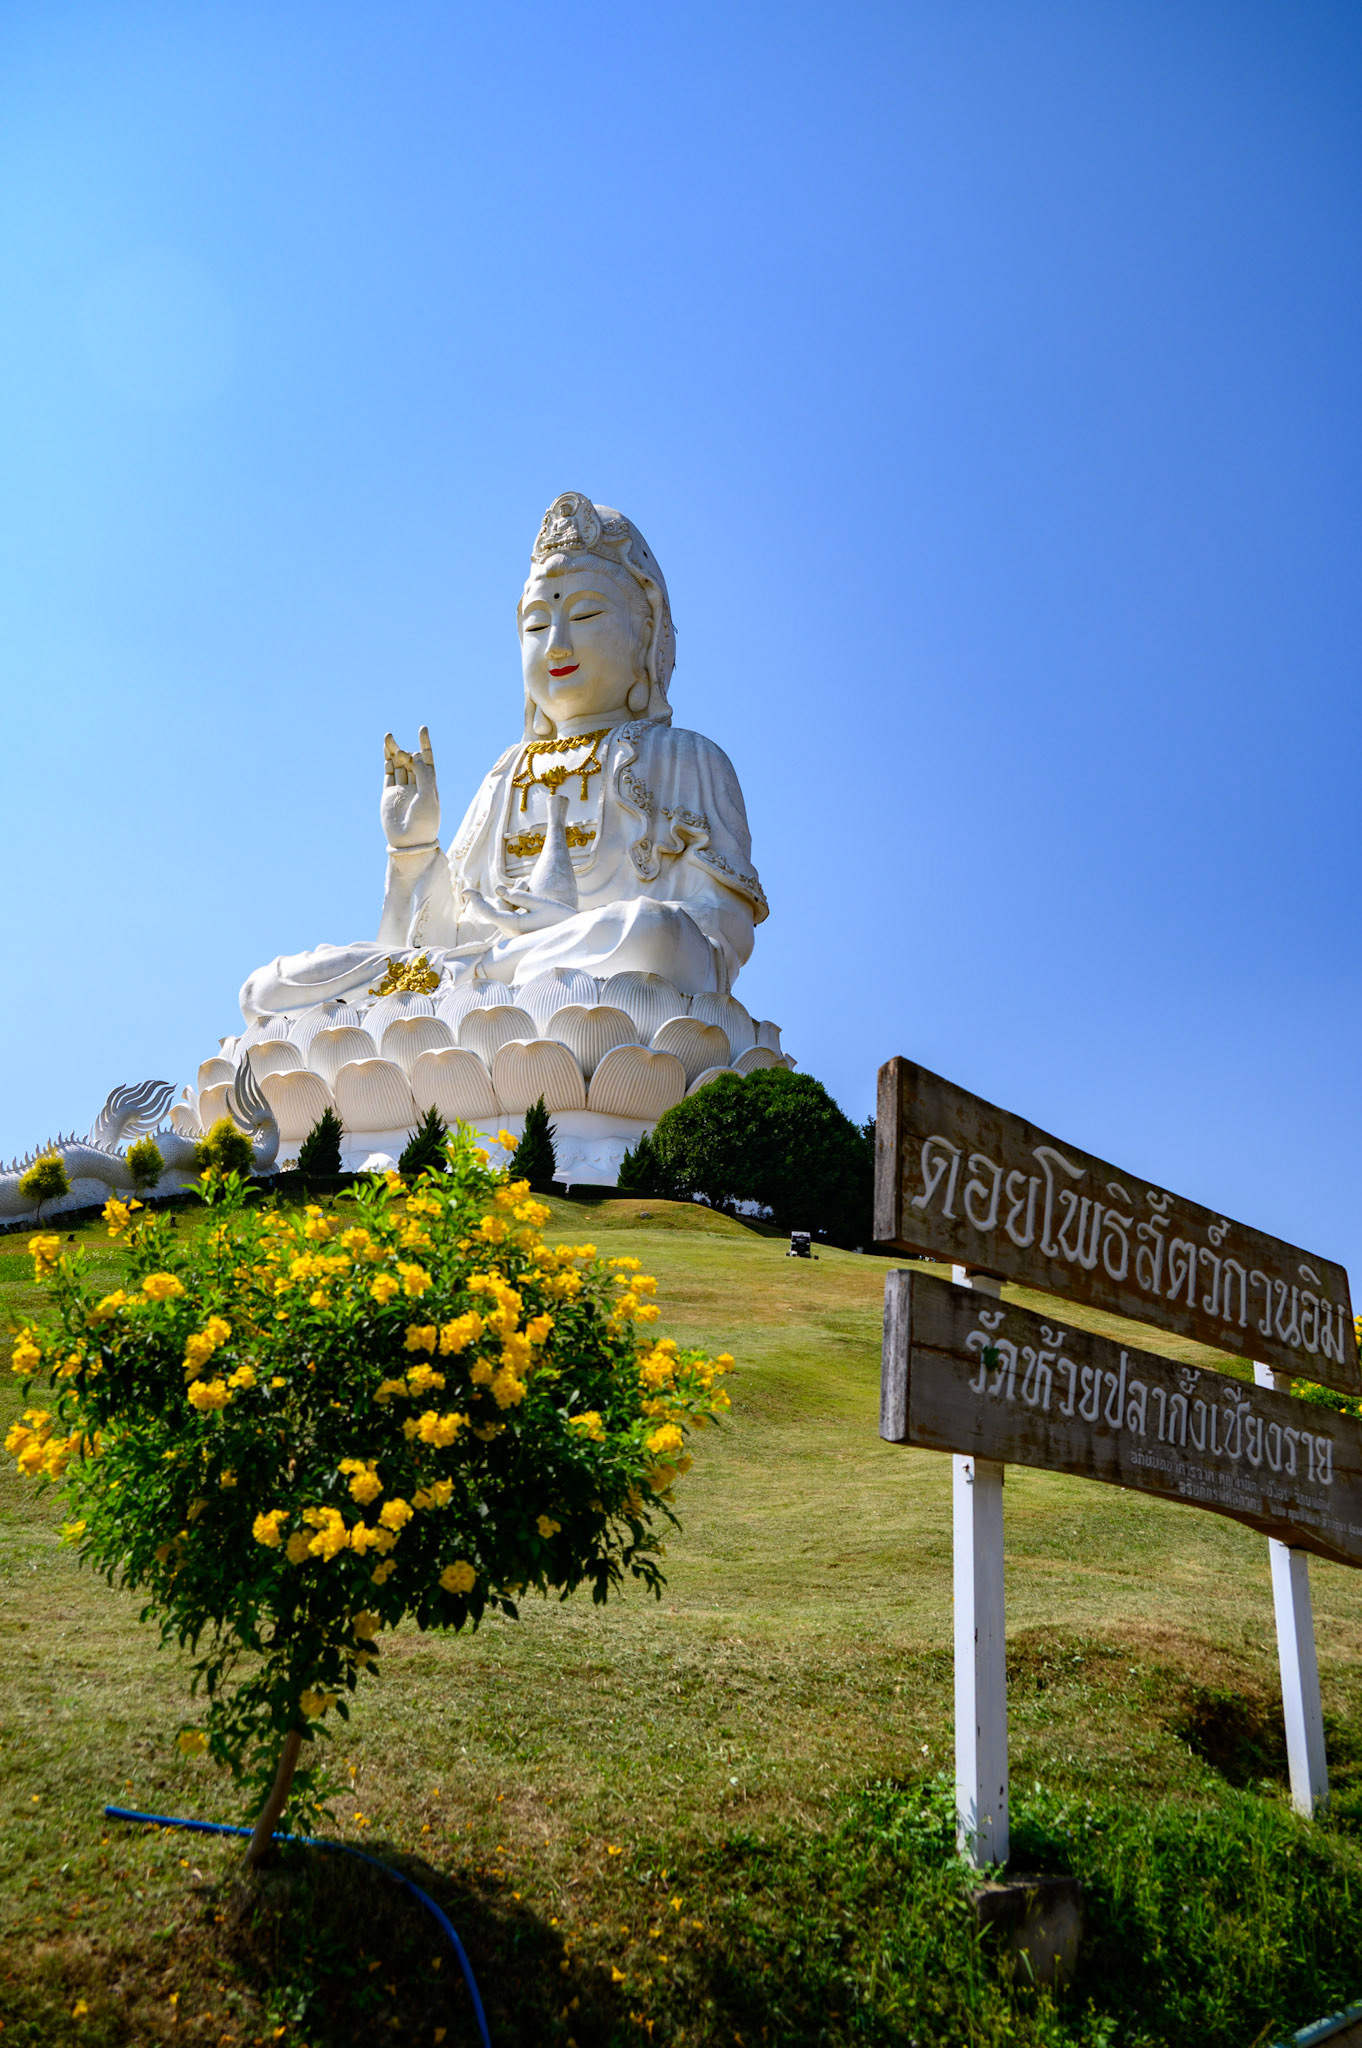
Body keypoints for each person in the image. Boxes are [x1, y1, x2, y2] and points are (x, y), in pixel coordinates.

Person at [239, 493, 767, 1022]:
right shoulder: (505, 773)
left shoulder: (686, 759)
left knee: (654, 934)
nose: (557, 645)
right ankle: (485, 984)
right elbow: (445, 935)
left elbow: (721, 936)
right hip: (472, 976)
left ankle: (492, 981)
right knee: (268, 989)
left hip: (610, 994)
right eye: (538, 625)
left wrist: (563, 933)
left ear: (646, 634)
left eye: (583, 613)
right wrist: (414, 850)